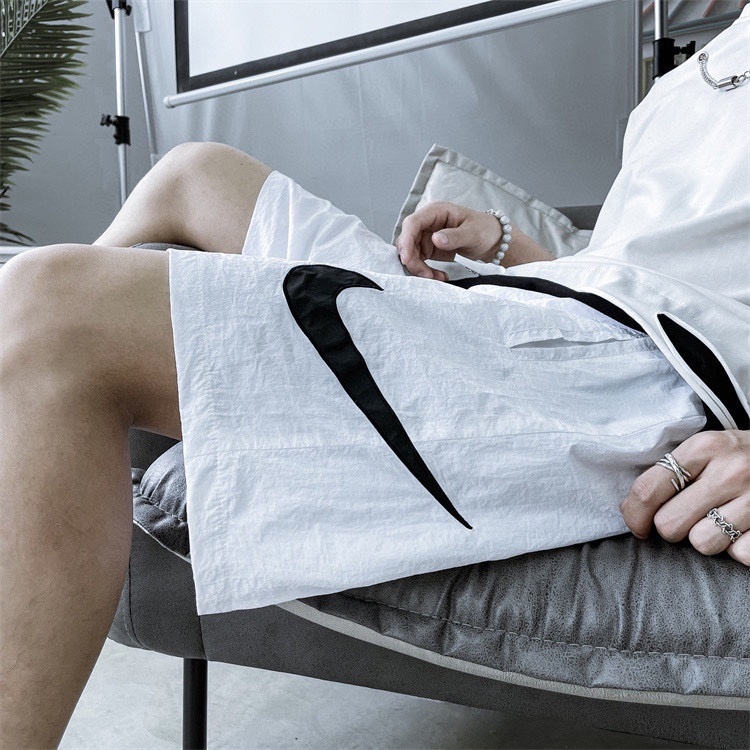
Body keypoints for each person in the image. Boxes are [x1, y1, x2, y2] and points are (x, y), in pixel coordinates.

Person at [1, 13, 749, 750]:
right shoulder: (687, 77)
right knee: (193, 174)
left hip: (632, 372)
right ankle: (29, 432)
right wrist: (507, 244)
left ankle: (39, 404)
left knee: (53, 312)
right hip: (542, 309)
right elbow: (646, 263)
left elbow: (689, 310)